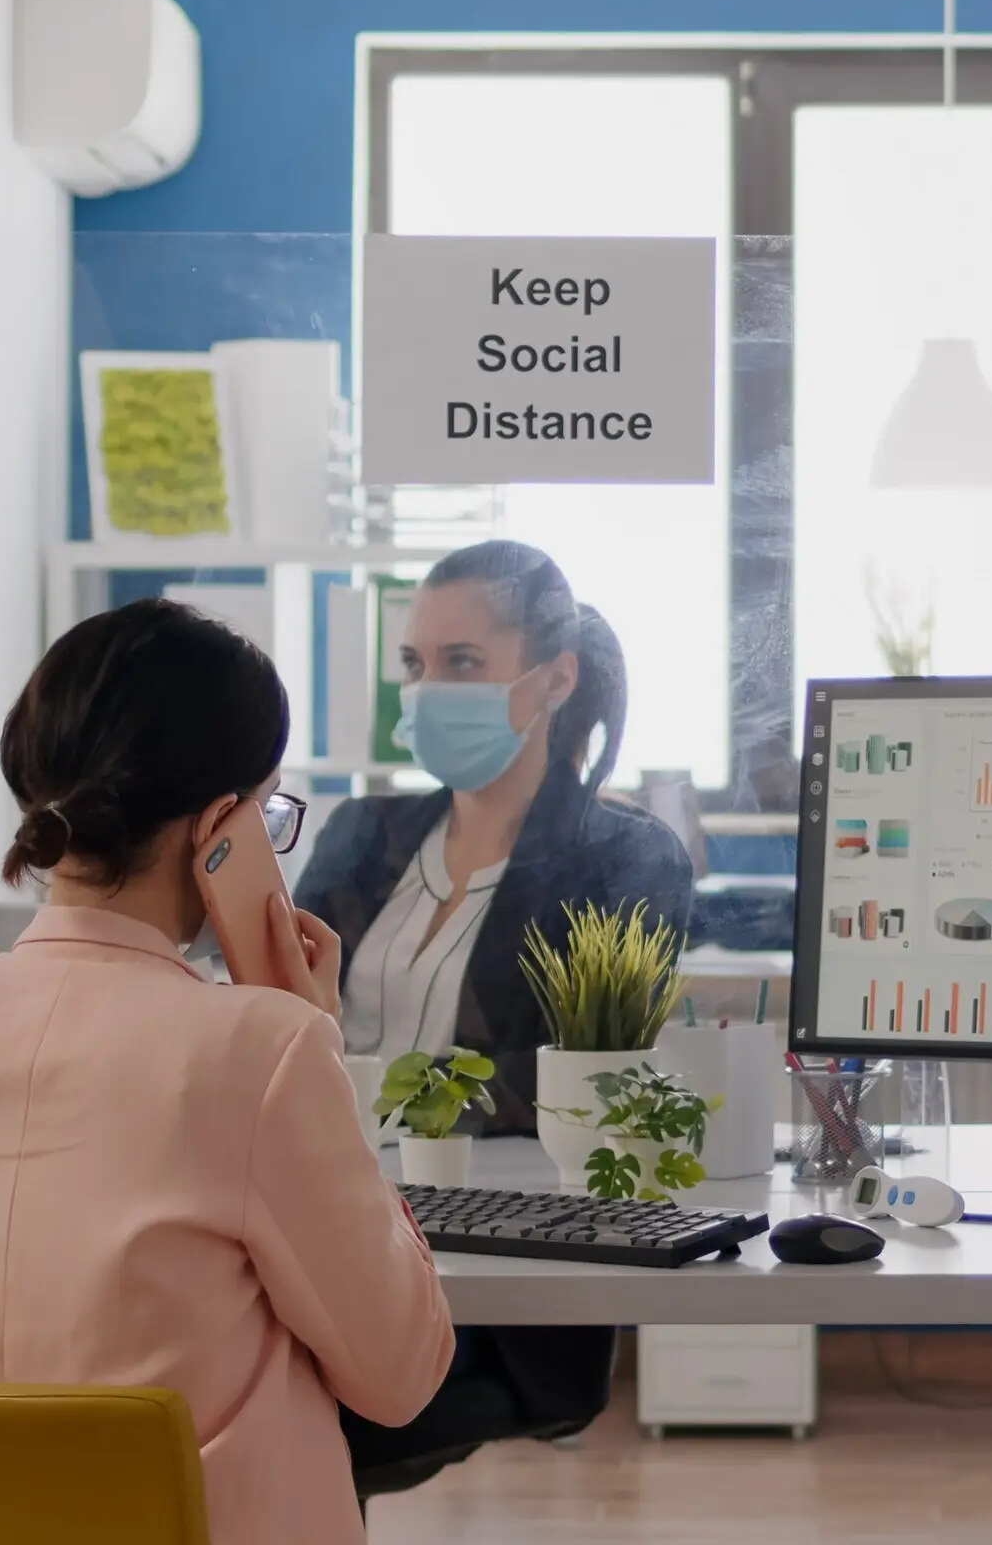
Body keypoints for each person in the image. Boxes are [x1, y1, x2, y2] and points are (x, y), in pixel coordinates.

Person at [0, 600, 453, 1545]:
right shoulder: (263, 1049)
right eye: (268, 814)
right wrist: (309, 1032)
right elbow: (400, 1376)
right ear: (220, 830)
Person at [296, 539, 694, 1445]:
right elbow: (279, 1009)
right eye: (415, 664)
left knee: (274, 1411)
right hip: (319, 1224)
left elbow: (585, 1079)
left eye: (462, 662)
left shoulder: (625, 860)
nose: (428, 690)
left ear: (554, 681)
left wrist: (376, 1095)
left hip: (480, 1261)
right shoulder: (365, 833)